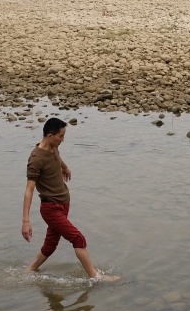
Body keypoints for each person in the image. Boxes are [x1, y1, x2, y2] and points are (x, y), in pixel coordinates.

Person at [21, 117, 119, 282]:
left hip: (62, 205)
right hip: (51, 208)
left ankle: (29, 271)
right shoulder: (36, 159)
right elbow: (28, 190)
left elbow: (56, 157)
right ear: (50, 135)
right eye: (61, 136)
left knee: (50, 245)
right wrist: (25, 221)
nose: (63, 140)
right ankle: (96, 277)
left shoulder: (53, 147)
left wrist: (64, 167)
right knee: (78, 238)